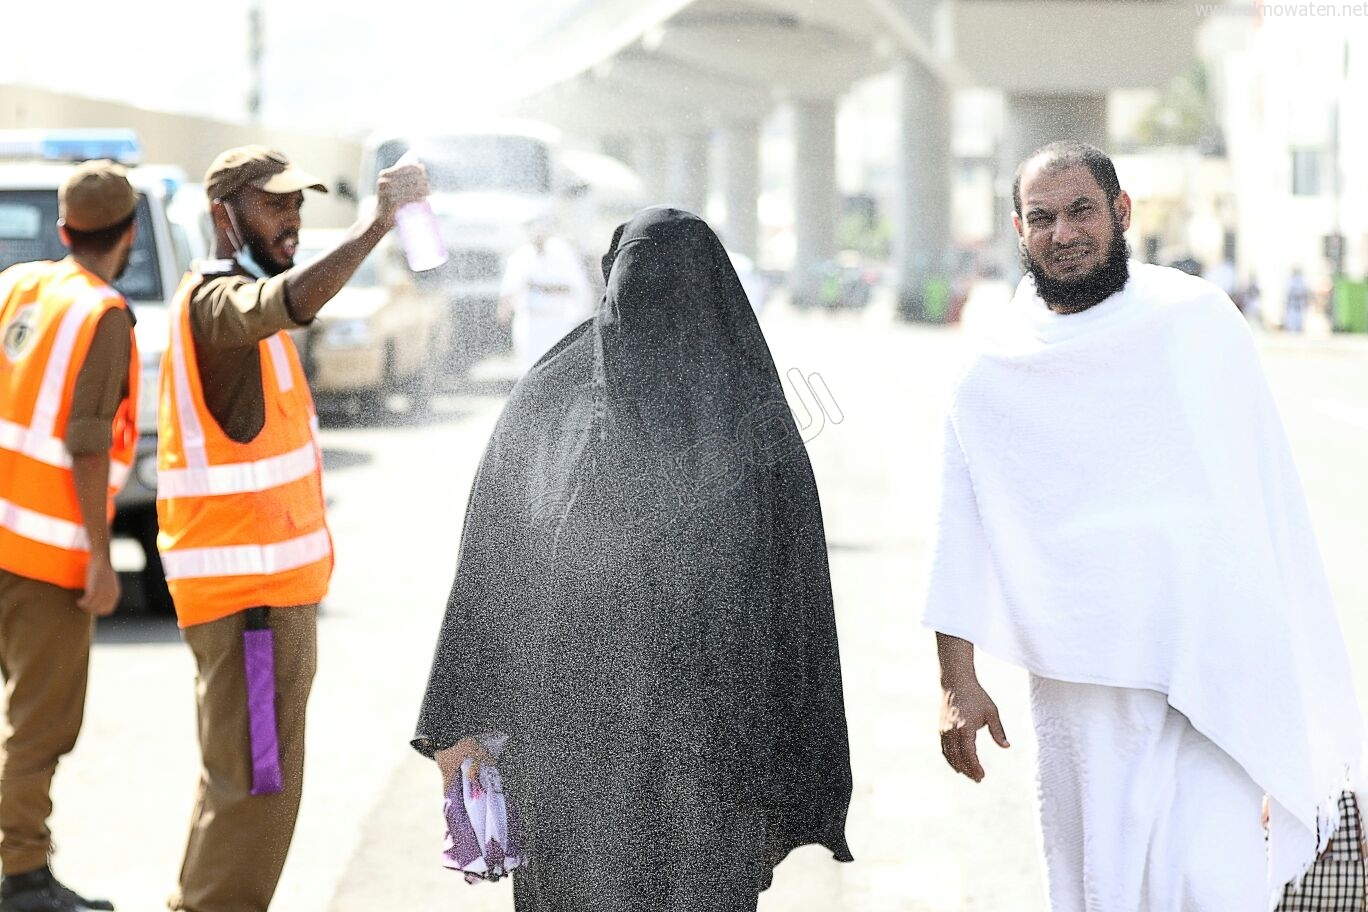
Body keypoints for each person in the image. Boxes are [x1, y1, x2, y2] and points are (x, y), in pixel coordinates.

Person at [923, 141, 1365, 912]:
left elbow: (1268, 515)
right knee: (1103, 886)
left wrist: (1288, 701)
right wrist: (956, 682)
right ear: (1019, 231)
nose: (1064, 233)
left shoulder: (1198, 324)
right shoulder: (992, 366)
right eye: (1042, 218)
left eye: (1082, 210)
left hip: (1212, 675)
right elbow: (960, 530)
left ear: (1121, 212)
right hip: (1082, 685)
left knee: (1216, 881)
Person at [415, 207, 854, 912]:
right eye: (638, 297)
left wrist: (790, 754)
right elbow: (491, 565)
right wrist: (463, 714)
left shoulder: (753, 422)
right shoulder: (548, 404)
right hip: (572, 751)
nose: (654, 323)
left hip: (711, 759)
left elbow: (797, 605)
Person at [155, 146, 428, 912]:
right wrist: (378, 225)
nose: (293, 219)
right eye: (274, 204)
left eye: (299, 204)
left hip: (262, 604)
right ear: (223, 215)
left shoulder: (232, 300)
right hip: (249, 611)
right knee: (257, 790)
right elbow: (286, 304)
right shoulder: (219, 303)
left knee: (241, 784)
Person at [0, 160, 139, 912]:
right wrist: (100, 560)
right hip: (45, 555)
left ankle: (21, 863)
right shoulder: (103, 313)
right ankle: (20, 875)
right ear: (129, 234)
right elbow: (88, 445)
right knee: (40, 725)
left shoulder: (17, 284)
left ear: (61, 230)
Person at [496, 216, 594, 375]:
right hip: (529, 320)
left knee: (556, 364)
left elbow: (576, 287)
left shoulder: (564, 256)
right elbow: (509, 289)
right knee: (528, 366)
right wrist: (504, 310)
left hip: (555, 319)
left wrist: (543, 288)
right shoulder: (520, 257)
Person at [1285, 267, 1311, 332]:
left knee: (1299, 322)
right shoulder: (1290, 281)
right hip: (1293, 304)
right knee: (1293, 322)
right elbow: (1288, 294)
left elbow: (1305, 293)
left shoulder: (1302, 281)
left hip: (1299, 304)